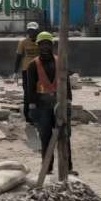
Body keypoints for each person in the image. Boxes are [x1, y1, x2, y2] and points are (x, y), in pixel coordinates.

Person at [24, 31, 73, 172]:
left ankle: (67, 167)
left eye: (48, 44)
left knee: (64, 136)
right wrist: (30, 108)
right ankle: (47, 167)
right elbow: (30, 88)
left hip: (59, 104)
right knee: (46, 138)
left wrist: (68, 100)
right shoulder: (33, 65)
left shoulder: (60, 61)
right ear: (38, 46)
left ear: (52, 45)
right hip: (42, 106)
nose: (45, 47)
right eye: (42, 44)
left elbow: (66, 82)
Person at [12, 22, 41, 120]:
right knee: (28, 92)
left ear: (37, 31)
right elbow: (18, 57)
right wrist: (15, 72)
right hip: (27, 70)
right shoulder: (23, 42)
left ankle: (39, 115)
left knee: (39, 92)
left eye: (33, 30)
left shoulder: (41, 42)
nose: (31, 32)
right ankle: (28, 116)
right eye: (29, 30)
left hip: (39, 70)